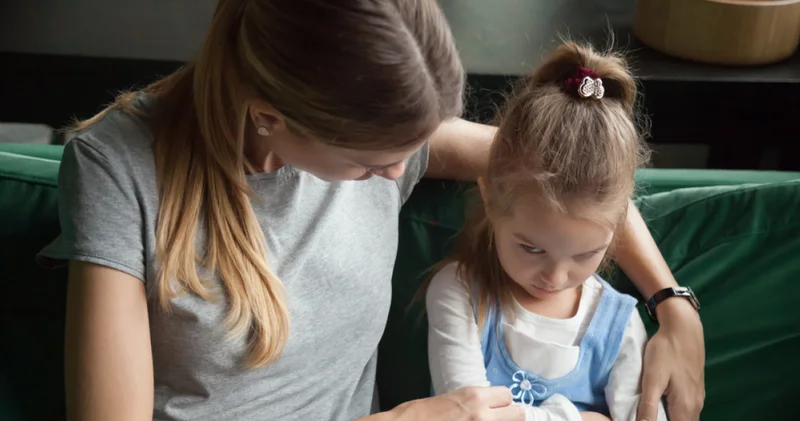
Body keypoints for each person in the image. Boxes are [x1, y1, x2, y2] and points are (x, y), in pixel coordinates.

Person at [36, 1, 703, 420]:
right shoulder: (117, 169)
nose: (395, 174)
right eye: (371, 165)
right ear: (270, 118)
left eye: (415, 147)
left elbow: (579, 173)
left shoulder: (385, 134)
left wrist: (672, 302)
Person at [425, 41, 671, 421]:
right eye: (531, 249)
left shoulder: (619, 325)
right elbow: (468, 415)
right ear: (489, 199)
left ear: (619, 226)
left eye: (586, 254)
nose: (556, 278)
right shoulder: (458, 292)